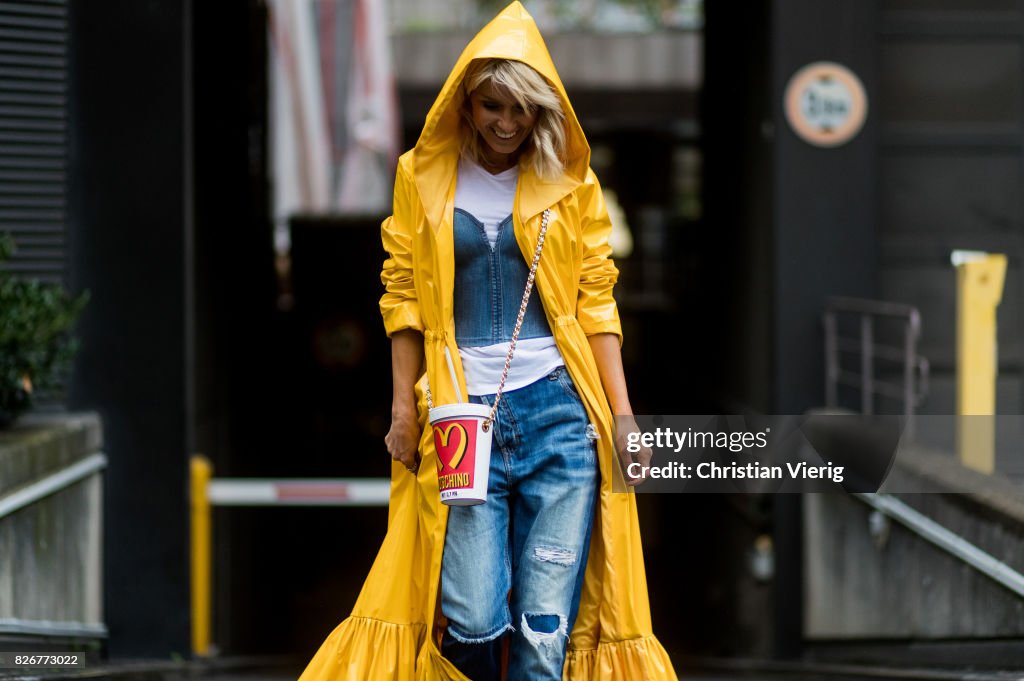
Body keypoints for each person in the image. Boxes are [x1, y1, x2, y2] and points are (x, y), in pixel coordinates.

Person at [298, 3, 676, 680]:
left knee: (544, 633)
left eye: (521, 110)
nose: (506, 123)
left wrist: (622, 417)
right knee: (471, 617)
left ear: (543, 111)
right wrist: (403, 410)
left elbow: (596, 300)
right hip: (461, 418)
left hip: (560, 419)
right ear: (465, 104)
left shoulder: (572, 184)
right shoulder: (424, 177)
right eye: (491, 105)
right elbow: (404, 293)